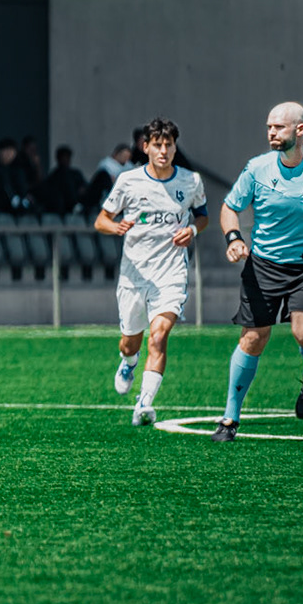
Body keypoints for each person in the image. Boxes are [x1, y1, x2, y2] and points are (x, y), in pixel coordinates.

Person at [94, 118, 206, 428]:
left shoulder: (191, 181)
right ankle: (128, 362)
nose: (163, 151)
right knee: (130, 342)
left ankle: (144, 404)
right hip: (134, 276)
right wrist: (115, 226)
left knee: (158, 337)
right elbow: (101, 220)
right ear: (146, 147)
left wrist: (193, 231)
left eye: (169, 145)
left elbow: (202, 216)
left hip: (171, 274)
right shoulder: (128, 181)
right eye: (157, 145)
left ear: (175, 148)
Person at [214, 102, 303, 442]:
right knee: (254, 338)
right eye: (269, 126)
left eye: (279, 127)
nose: (271, 132)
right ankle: (229, 419)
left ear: (300, 130)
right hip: (263, 265)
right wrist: (234, 238)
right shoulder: (257, 168)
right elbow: (230, 208)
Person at [35, 146, 87, 215]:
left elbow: (83, 187)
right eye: (63, 158)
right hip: (62, 207)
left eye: (67, 157)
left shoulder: (75, 174)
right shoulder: (54, 176)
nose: (65, 160)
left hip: (78, 202)